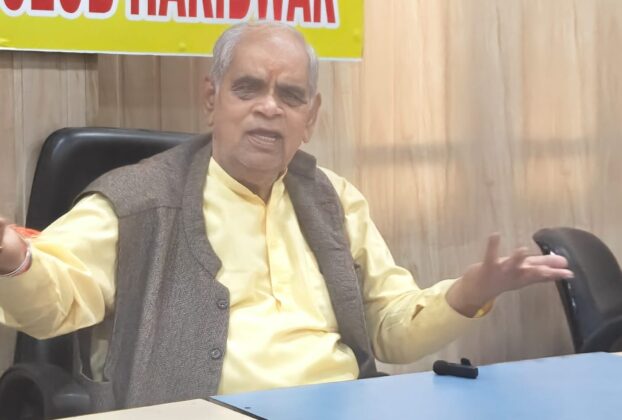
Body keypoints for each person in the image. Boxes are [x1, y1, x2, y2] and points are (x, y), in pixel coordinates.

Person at [0, 22, 573, 411]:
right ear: (212, 99)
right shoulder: (140, 200)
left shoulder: (334, 199)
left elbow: (390, 331)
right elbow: (55, 302)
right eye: (248, 89)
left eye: (290, 95)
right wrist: (14, 258)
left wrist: (468, 293)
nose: (269, 108)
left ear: (311, 116)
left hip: (341, 406)